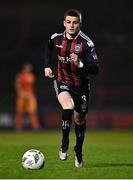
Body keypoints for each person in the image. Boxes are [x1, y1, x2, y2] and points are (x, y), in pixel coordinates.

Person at [44, 9, 99, 167]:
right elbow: (48, 48)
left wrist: (80, 64)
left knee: (80, 120)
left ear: (80, 24)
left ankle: (78, 150)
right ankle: (64, 142)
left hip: (81, 87)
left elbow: (95, 69)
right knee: (68, 106)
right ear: (64, 23)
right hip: (63, 82)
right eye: (68, 22)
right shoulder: (56, 38)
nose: (71, 25)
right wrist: (47, 66)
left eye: (75, 22)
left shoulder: (86, 43)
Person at [14, 63, 40, 131]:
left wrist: (31, 95)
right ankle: (18, 127)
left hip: (30, 95)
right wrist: (21, 93)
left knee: (33, 111)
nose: (29, 69)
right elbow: (17, 86)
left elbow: (31, 87)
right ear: (24, 68)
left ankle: (35, 126)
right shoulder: (20, 76)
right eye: (27, 67)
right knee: (19, 112)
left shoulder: (32, 76)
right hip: (21, 95)